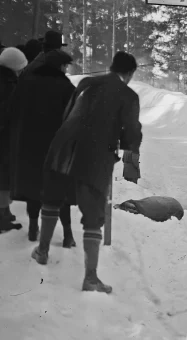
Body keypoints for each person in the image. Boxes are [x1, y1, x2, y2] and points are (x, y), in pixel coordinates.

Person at [32, 51, 142, 295]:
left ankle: (42, 251)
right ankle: (90, 278)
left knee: (51, 200)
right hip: (95, 157)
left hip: (61, 147)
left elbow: (67, 114)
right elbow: (132, 133)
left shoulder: (86, 83)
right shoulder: (128, 95)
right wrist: (126, 148)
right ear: (130, 73)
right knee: (93, 216)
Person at [8, 49, 76, 245]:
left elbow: (13, 112)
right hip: (57, 148)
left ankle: (32, 227)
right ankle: (68, 235)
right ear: (60, 67)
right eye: (65, 66)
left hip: (29, 146)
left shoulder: (25, 83)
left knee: (33, 187)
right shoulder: (67, 88)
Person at [0, 47, 28, 232]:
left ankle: (5, 212)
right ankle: (2, 219)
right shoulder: (8, 85)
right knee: (3, 179)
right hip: (4, 138)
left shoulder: (6, 81)